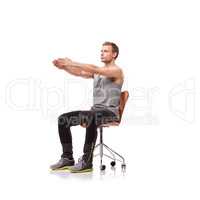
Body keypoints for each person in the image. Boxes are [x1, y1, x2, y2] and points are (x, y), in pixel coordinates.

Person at [50, 41, 124, 173]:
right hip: (94, 113)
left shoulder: (116, 71)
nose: (102, 53)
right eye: (101, 51)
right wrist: (65, 67)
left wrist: (70, 62)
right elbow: (80, 72)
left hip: (109, 113)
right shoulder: (98, 73)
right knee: (63, 119)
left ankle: (87, 161)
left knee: (90, 117)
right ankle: (67, 158)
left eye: (106, 51)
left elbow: (94, 68)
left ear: (114, 54)